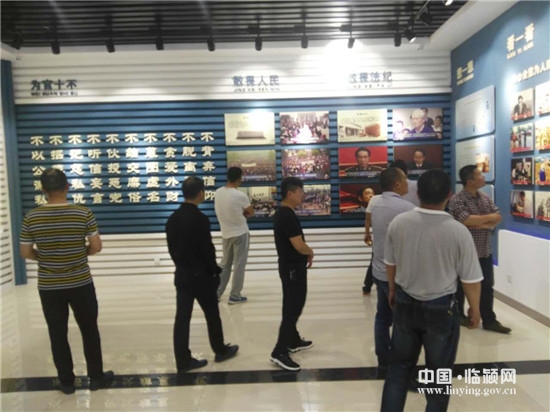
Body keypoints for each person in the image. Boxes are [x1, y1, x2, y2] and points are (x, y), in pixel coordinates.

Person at [380, 169, 482, 412]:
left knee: (398, 371)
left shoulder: (399, 223)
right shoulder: (458, 231)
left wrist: (392, 289)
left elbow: (390, 263)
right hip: (441, 309)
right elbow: (470, 279)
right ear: (449, 194)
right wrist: (475, 309)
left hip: (405, 303)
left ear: (418, 193)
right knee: (439, 376)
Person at [19, 168, 114, 394]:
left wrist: (45, 258)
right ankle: (96, 377)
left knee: (57, 332)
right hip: (80, 283)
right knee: (89, 329)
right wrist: (81, 253)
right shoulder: (83, 213)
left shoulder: (31, 217)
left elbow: (25, 252)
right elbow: (96, 246)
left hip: (49, 286)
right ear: (67, 187)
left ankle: (66, 382)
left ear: (43, 190)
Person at [166, 176, 239, 374]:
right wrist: (214, 271)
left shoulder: (172, 219)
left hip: (182, 275)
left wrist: (181, 266)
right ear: (200, 193)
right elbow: (207, 250)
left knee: (182, 319)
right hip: (202, 276)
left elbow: (172, 249)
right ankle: (220, 350)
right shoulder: (200, 219)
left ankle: (183, 361)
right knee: (212, 315)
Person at [449, 165, 512, 334]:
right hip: (464, 252)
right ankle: (459, 316)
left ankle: (489, 319)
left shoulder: (485, 197)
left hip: (484, 250)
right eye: (479, 174)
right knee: (460, 287)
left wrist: (479, 222)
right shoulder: (457, 199)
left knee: (487, 286)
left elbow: (498, 216)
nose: (483, 176)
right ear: (470, 181)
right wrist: (486, 221)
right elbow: (465, 220)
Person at [369, 168, 415, 370]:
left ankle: (383, 358)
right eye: (405, 179)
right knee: (401, 321)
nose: (407, 183)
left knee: (382, 317)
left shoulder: (375, 204)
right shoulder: (407, 208)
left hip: (379, 270)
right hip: (397, 274)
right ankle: (399, 361)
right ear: (396, 183)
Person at [270, 177, 315, 371]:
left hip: (290, 267)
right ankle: (279, 351)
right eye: (300, 192)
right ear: (290, 193)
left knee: (291, 303)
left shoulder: (284, 213)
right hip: (292, 269)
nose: (303, 195)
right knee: (293, 306)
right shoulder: (286, 216)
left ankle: (293, 340)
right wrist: (310, 251)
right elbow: (298, 244)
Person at [214, 167, 254, 304]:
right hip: (241, 233)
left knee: (225, 264)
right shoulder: (240, 195)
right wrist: (242, 215)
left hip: (226, 234)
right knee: (239, 265)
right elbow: (250, 212)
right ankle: (235, 295)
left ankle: (217, 293)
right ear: (239, 178)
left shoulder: (218, 192)